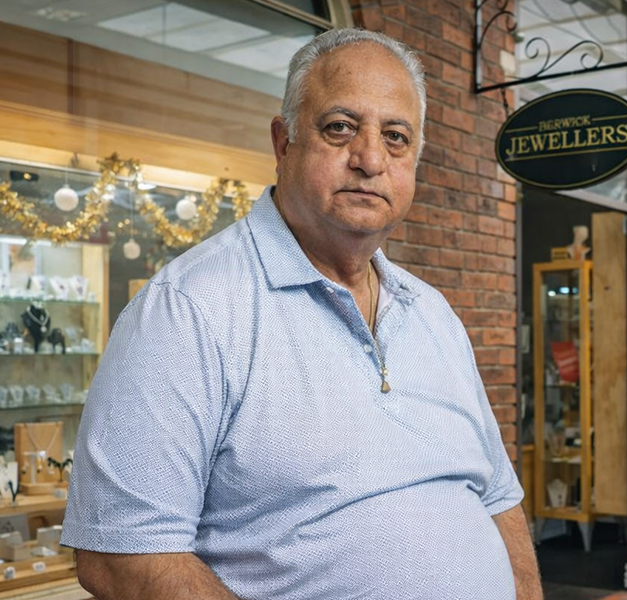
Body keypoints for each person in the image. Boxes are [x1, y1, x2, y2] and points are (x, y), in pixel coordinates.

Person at [62, 28, 542, 600]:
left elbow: (497, 498)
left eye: (396, 137)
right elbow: (121, 555)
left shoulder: (432, 314)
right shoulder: (187, 311)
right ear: (283, 141)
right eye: (340, 127)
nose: (370, 159)